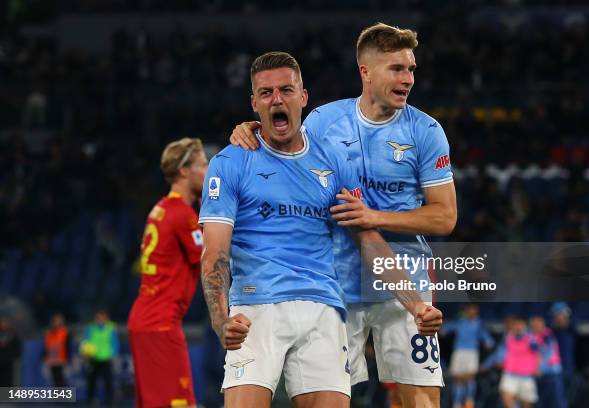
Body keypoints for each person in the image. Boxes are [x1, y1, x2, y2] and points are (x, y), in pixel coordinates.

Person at [230, 23, 456, 407]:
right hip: (337, 285)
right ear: (365, 72)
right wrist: (251, 129)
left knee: (421, 400)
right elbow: (284, 149)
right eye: (397, 69)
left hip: (406, 280)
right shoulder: (322, 122)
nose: (408, 79)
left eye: (411, 69)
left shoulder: (426, 131)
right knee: (329, 397)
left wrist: (373, 217)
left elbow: (445, 218)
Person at [127, 137, 208, 408]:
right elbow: (214, 255)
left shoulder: (162, 208)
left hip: (149, 320)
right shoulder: (182, 215)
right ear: (185, 171)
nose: (208, 172)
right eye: (203, 165)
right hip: (159, 324)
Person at [443, 304, 494, 408]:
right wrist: (442, 329)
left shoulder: (479, 323)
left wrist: (488, 342)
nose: (472, 312)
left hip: (471, 352)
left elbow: (486, 338)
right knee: (457, 378)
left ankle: (469, 402)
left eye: (474, 310)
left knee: (470, 377)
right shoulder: (461, 321)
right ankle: (457, 403)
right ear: (467, 311)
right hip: (459, 352)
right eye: (470, 310)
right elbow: (447, 328)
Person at [81, 309, 119, 406]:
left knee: (108, 382)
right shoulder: (90, 328)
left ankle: (109, 401)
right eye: (98, 317)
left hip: (106, 358)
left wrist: (114, 355)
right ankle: (91, 400)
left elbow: (115, 342)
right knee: (91, 381)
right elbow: (85, 341)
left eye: (102, 317)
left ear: (106, 318)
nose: (100, 319)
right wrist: (85, 354)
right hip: (93, 358)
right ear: (96, 318)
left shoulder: (111, 328)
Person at [499, 317, 539, 408]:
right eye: (516, 325)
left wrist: (537, 368)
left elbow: (538, 354)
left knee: (527, 404)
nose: (518, 327)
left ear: (524, 326)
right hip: (510, 375)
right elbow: (501, 352)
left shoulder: (530, 339)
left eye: (520, 325)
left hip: (526, 376)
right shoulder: (508, 338)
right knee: (507, 399)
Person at [530, 316, 566, 408]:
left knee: (557, 402)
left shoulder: (548, 334)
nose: (535, 326)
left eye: (538, 324)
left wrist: (539, 368)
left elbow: (548, 352)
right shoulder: (530, 336)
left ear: (543, 325)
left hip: (552, 374)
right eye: (533, 325)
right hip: (536, 375)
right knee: (538, 402)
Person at [44, 313, 71, 387]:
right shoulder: (49, 333)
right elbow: (46, 346)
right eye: (55, 321)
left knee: (62, 380)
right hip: (52, 360)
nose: (56, 322)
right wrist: (46, 357)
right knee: (55, 381)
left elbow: (68, 346)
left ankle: (63, 397)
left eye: (58, 320)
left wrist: (67, 358)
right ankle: (57, 397)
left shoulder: (65, 332)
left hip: (62, 359)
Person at [0, 317, 21, 386]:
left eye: (5, 323)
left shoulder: (12, 335)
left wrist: (14, 356)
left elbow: (18, 348)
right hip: (1, 362)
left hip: (10, 362)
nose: (3, 325)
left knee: (9, 381)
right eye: (2, 323)